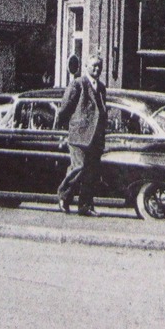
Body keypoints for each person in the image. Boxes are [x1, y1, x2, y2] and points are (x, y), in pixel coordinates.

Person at [55, 53, 107, 216]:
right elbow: (65, 107)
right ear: (86, 66)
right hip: (79, 135)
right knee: (78, 168)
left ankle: (86, 205)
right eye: (93, 65)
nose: (96, 69)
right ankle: (64, 196)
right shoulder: (78, 84)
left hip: (96, 137)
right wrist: (65, 127)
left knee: (91, 172)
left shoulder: (102, 87)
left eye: (99, 66)